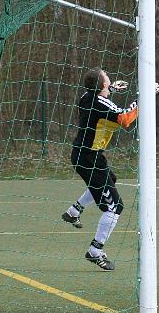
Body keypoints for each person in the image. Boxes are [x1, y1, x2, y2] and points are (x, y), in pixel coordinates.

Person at [61, 68, 142, 271]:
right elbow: (125, 119)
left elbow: (99, 100)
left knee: (110, 179)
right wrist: (142, 98)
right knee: (115, 207)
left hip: (86, 155)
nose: (109, 77)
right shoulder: (99, 102)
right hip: (89, 159)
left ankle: (74, 211)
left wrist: (110, 89)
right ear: (103, 84)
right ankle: (95, 251)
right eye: (107, 77)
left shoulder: (86, 96)